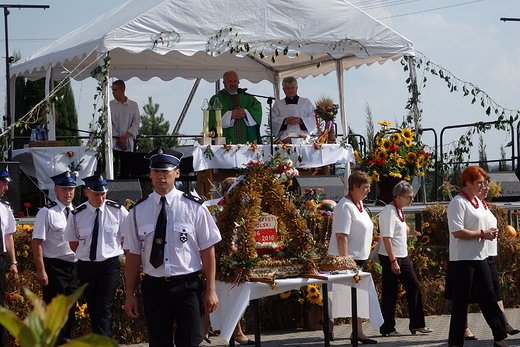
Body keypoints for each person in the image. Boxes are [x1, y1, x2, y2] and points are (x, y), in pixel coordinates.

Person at [123, 147, 221, 347]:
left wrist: (211, 289)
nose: (161, 176)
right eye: (156, 171)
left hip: (187, 286)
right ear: (150, 174)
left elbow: (207, 249)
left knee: (191, 342)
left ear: (176, 173)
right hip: (154, 288)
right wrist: (129, 294)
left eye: (166, 171)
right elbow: (133, 255)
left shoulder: (194, 207)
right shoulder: (137, 211)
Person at [446, 166, 508, 347]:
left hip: (480, 256)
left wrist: (490, 232)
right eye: (479, 182)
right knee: (461, 302)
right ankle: (455, 342)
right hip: (463, 260)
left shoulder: (478, 202)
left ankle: (499, 337)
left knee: (489, 297)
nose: (483, 185)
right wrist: (483, 234)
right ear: (468, 182)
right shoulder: (458, 202)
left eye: (484, 181)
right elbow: (457, 232)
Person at [64, 173, 128, 338]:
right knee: (93, 306)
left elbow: (128, 237)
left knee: (104, 306)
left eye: (103, 194)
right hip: (87, 265)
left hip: (109, 264)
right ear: (86, 192)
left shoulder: (117, 210)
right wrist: (85, 255)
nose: (100, 198)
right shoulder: (77, 214)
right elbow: (73, 242)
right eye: (96, 194)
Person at [461, 176, 520, 340]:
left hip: (487, 254)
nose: (485, 188)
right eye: (482, 185)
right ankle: (464, 328)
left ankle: (503, 324)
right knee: (466, 295)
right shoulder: (467, 205)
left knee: (495, 291)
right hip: (472, 256)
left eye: (487, 186)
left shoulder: (485, 206)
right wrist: (483, 233)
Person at [328, 171, 377, 344]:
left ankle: (357, 331)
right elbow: (341, 236)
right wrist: (346, 262)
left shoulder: (360, 204)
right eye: (365, 187)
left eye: (369, 187)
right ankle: (329, 329)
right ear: (354, 187)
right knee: (336, 296)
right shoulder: (345, 206)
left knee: (359, 297)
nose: (368, 191)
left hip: (359, 258)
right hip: (345, 259)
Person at [378, 180, 431, 337]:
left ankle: (417, 324)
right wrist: (393, 260)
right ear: (399, 196)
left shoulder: (399, 210)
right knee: (390, 292)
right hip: (390, 256)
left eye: (412, 197)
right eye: (409, 197)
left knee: (414, 286)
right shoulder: (389, 210)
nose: (412, 200)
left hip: (402, 255)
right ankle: (387, 328)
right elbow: (386, 238)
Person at [32, 171, 78, 345]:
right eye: (64, 189)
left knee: (70, 313)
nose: (68, 193)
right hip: (54, 268)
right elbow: (36, 242)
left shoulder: (76, 212)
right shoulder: (47, 212)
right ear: (56, 189)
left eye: (71, 189)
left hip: (72, 267)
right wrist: (41, 270)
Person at [209, 71, 262, 144]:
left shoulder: (248, 98)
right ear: (224, 83)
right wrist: (230, 114)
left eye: (235, 81)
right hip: (225, 141)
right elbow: (211, 117)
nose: (233, 84)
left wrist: (245, 113)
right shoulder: (216, 99)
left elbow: (257, 111)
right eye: (230, 81)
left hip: (247, 140)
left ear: (238, 82)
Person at [0, 164, 18, 346]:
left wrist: (13, 261)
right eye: (3, 183)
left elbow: (9, 236)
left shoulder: (4, 207)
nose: (6, 187)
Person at [110, 79, 140, 178]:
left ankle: (124, 192)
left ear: (122, 90)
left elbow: (136, 122)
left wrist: (125, 138)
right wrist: (118, 138)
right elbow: (108, 123)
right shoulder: (110, 105)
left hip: (128, 141)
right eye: (112, 90)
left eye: (115, 90)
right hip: (114, 141)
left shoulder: (133, 105)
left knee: (126, 171)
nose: (113, 92)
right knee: (112, 170)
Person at [271, 76, 316, 141]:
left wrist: (301, 120)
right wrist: (285, 121)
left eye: (292, 88)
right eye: (288, 88)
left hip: (302, 137)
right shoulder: (278, 104)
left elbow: (313, 118)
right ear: (283, 89)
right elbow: (272, 120)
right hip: (284, 138)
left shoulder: (306, 102)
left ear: (297, 88)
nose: (290, 90)